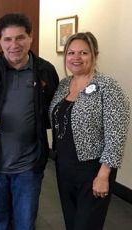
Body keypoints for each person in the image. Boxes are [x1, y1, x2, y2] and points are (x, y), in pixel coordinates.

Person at [0, 13, 59, 230]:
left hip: (29, 166)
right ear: (0, 40)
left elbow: (54, 110)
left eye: (20, 38)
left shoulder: (45, 70)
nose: (14, 45)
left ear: (30, 37)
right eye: (8, 39)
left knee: (25, 224)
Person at [49, 32, 130, 230]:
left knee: (87, 225)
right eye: (71, 53)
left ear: (94, 55)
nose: (76, 58)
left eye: (83, 53)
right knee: (72, 222)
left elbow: (116, 135)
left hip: (93, 169)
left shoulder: (108, 87)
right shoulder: (63, 85)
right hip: (64, 167)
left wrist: (103, 175)